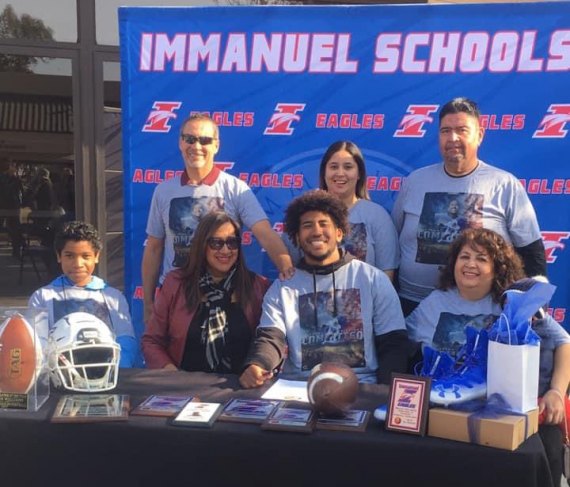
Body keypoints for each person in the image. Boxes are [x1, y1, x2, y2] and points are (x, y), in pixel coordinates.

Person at [391, 97, 545, 316]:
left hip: (483, 309)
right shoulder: (414, 182)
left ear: (479, 135)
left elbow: (532, 254)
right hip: (413, 304)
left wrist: (530, 309)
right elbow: (394, 243)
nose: (452, 138)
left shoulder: (504, 185)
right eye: (445, 131)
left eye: (462, 130)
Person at [239, 190, 409, 388]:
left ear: (339, 233)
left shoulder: (373, 280)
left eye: (323, 224)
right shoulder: (283, 287)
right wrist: (258, 363)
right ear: (296, 237)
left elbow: (393, 344)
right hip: (299, 388)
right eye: (307, 225)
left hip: (360, 386)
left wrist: (384, 394)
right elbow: (270, 338)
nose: (317, 231)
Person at [142, 113, 293, 323]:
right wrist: (148, 303)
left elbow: (265, 234)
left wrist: (287, 270)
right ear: (180, 142)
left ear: (216, 146)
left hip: (224, 296)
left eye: (204, 140)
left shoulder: (235, 189)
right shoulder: (163, 191)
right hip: (176, 295)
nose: (196, 146)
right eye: (190, 139)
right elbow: (154, 248)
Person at [142, 212, 270, 373]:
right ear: (202, 245)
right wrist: (172, 375)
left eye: (232, 242)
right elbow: (152, 341)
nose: (225, 250)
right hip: (185, 387)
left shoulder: (258, 286)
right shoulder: (175, 283)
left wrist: (258, 366)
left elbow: (268, 341)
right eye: (216, 243)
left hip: (241, 388)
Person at [28, 220, 136, 367]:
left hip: (106, 377)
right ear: (59, 256)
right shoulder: (42, 297)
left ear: (96, 256)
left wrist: (117, 371)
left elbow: (126, 341)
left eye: (86, 256)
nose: (78, 264)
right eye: (69, 256)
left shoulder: (113, 297)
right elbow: (37, 344)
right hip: (59, 377)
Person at [406, 228, 525, 360]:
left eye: (481, 259)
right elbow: (397, 341)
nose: (470, 264)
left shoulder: (510, 306)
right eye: (464, 257)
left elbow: (551, 340)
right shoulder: (434, 303)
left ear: (498, 269)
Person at [501, 276, 570, 487]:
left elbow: (565, 342)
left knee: (550, 456)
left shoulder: (547, 326)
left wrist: (556, 391)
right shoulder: (500, 324)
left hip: (543, 409)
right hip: (507, 409)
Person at [305, 141, 399, 280]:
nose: (340, 173)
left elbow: (386, 275)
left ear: (359, 173)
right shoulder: (306, 214)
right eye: (334, 167)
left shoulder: (377, 216)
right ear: (324, 172)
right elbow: (294, 267)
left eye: (348, 167)